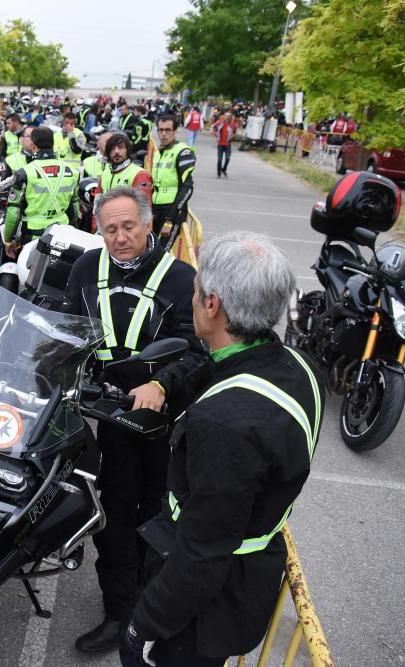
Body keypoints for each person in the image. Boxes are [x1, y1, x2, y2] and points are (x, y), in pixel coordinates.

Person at [122, 232, 324, 667]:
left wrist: (143, 625)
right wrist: (163, 384)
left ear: (212, 304)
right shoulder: (301, 367)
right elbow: (216, 368)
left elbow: (202, 553)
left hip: (206, 608)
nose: (192, 300)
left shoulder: (223, 426)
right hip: (250, 574)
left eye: (195, 293)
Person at [64, 186, 206, 654]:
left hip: (165, 420)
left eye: (129, 226)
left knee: (160, 515)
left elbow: (199, 350)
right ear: (98, 230)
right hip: (107, 414)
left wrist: (162, 385)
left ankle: (151, 610)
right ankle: (119, 613)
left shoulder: (182, 278)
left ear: (148, 225)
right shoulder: (85, 267)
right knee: (117, 515)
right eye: (110, 229)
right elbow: (65, 326)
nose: (120, 237)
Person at [2, 126, 79, 252]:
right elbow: (74, 209)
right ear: (52, 145)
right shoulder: (73, 172)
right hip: (61, 232)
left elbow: (13, 213)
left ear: (33, 145)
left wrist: (8, 240)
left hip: (33, 234)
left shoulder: (24, 173)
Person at [150, 114, 196, 246]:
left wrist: (170, 220)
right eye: (160, 130)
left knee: (162, 254)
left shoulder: (183, 152)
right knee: (150, 250)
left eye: (168, 130)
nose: (163, 134)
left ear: (175, 131)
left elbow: (187, 187)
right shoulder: (160, 152)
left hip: (171, 211)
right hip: (155, 208)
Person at [100, 133, 153, 198]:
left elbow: (144, 205)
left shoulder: (140, 174)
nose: (116, 151)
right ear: (108, 152)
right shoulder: (104, 174)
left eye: (120, 147)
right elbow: (97, 202)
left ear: (127, 150)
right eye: (112, 148)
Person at [211, 112, 237, 178]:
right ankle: (218, 172)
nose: (227, 118)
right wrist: (214, 133)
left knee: (228, 158)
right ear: (224, 117)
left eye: (228, 117)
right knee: (219, 159)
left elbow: (234, 133)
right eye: (226, 116)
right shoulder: (219, 123)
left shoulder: (233, 125)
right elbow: (213, 129)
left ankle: (224, 169)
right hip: (220, 144)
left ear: (230, 118)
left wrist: (233, 137)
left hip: (228, 144)